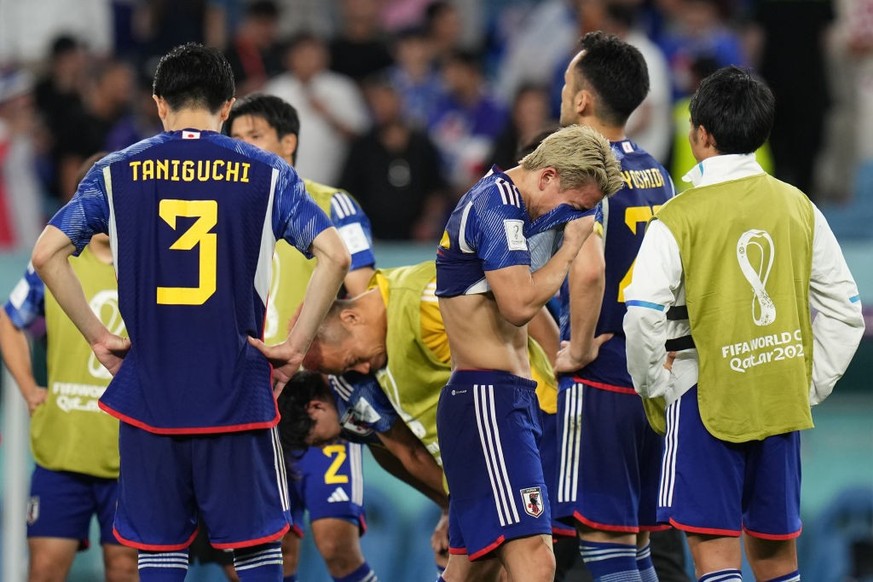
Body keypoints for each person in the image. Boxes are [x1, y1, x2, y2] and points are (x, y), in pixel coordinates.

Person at [30, 43, 351, 582]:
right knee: (255, 548)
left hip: (150, 394)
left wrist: (97, 336)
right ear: (227, 106)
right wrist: (294, 347)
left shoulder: (116, 172)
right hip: (236, 389)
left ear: (159, 104)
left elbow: (46, 254)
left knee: (159, 549)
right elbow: (335, 255)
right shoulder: (267, 172)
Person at [623, 66, 865, 582]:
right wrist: (806, 384)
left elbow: (642, 315)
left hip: (705, 402)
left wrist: (656, 386)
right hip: (779, 401)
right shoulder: (798, 205)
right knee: (777, 561)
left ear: (701, 135)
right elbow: (846, 312)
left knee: (714, 554)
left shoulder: (677, 217)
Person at [434, 123, 624, 581]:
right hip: (486, 401)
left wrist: (563, 351)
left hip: (502, 398)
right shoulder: (494, 205)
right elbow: (519, 305)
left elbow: (522, 302)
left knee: (472, 569)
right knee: (537, 563)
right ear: (547, 177)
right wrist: (573, 246)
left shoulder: (515, 208)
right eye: (574, 207)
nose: (571, 220)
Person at [226, 92, 378, 582]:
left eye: (254, 137)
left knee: (336, 543)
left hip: (318, 391)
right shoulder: (226, 212)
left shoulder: (332, 203)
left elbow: (363, 292)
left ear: (289, 141)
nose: (242, 148)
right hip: (253, 392)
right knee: (272, 547)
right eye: (235, 140)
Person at [551, 31, 677, 582]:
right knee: (637, 544)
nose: (560, 93)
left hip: (601, 376)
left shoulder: (583, 171)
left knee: (604, 545)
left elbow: (591, 267)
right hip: (653, 372)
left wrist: (577, 349)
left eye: (565, 83)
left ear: (582, 100)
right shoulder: (657, 171)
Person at [1, 227, 137, 580]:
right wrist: (30, 389)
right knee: (44, 569)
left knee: (125, 568)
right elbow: (8, 320)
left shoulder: (145, 266)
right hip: (61, 453)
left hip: (130, 458)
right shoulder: (54, 264)